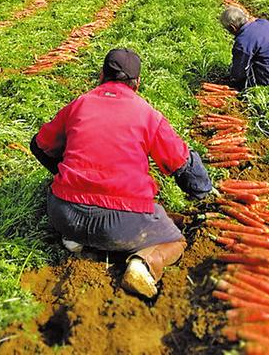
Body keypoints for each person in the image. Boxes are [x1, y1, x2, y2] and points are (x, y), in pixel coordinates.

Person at [30, 48, 213, 298]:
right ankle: (143, 265)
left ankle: (74, 240)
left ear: (102, 74)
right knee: (176, 241)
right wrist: (202, 190)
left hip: (64, 214)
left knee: (75, 209)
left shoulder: (79, 104)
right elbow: (181, 162)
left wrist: (64, 174)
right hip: (121, 223)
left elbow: (39, 144)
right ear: (137, 82)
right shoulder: (147, 114)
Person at [219, 6, 269, 89]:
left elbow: (238, 73)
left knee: (240, 83)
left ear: (232, 27)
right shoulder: (264, 23)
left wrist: (232, 81)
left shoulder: (243, 42)